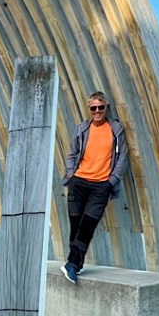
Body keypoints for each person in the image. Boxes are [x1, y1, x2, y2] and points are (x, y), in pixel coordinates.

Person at [60, 91, 129, 283]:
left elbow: (123, 156)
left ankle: (72, 265)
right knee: (76, 225)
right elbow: (72, 153)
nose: (97, 111)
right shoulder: (82, 129)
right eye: (93, 108)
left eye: (101, 107)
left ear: (106, 108)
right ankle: (76, 263)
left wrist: (111, 181)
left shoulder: (116, 129)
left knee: (88, 226)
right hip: (79, 182)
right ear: (89, 109)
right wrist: (71, 174)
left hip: (101, 186)